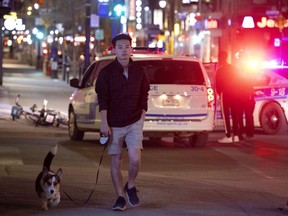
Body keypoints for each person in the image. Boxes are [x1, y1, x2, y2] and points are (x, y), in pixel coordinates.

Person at [95, 33, 150, 211]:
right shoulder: (106, 73)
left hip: (134, 120)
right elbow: (102, 99)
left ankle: (131, 186)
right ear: (114, 50)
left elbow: (144, 94)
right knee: (116, 159)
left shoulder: (139, 71)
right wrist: (104, 123)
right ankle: (119, 196)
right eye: (120, 47)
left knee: (135, 158)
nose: (124, 50)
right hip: (114, 123)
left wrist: (142, 114)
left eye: (127, 46)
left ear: (131, 49)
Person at [215, 50, 240, 143]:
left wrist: (219, 94)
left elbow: (218, 85)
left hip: (225, 94)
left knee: (226, 115)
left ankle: (228, 135)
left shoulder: (220, 69)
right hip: (235, 93)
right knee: (235, 114)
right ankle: (236, 135)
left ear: (220, 58)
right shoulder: (233, 68)